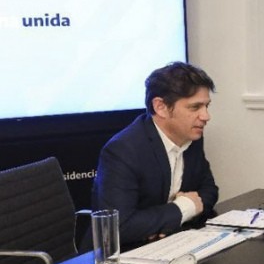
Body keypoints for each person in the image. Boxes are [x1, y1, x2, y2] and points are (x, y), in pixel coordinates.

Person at [92, 62, 218, 250]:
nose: (206, 116)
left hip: (167, 244)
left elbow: (209, 191)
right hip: (118, 256)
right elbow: (118, 226)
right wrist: (183, 208)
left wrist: (164, 222)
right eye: (195, 107)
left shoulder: (191, 136)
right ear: (161, 107)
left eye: (206, 106)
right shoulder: (123, 150)